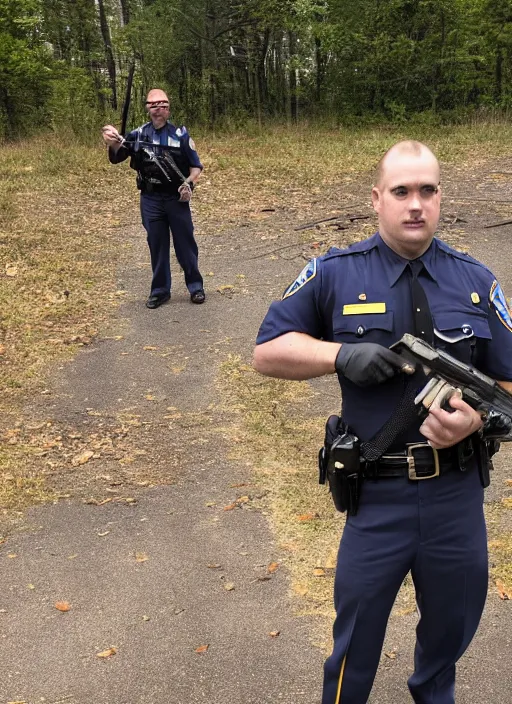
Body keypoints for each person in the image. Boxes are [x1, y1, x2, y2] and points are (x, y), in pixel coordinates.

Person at [253, 140, 512, 704]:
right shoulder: (334, 272)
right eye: (401, 191)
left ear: (441, 198)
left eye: (427, 191)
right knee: (355, 645)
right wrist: (337, 355)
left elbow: (509, 384)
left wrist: (475, 421)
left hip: (456, 497)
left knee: (451, 631)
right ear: (377, 199)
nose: (415, 204)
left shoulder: (476, 280)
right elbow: (267, 351)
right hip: (377, 499)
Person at [101, 88, 205, 309]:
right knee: (156, 244)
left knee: (185, 244)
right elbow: (117, 156)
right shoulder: (137, 135)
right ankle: (160, 291)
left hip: (176, 199)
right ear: (147, 108)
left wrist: (189, 184)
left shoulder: (181, 135)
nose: (159, 108)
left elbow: (196, 167)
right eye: (154, 104)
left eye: (164, 104)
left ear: (169, 108)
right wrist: (111, 142)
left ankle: (195, 286)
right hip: (150, 199)